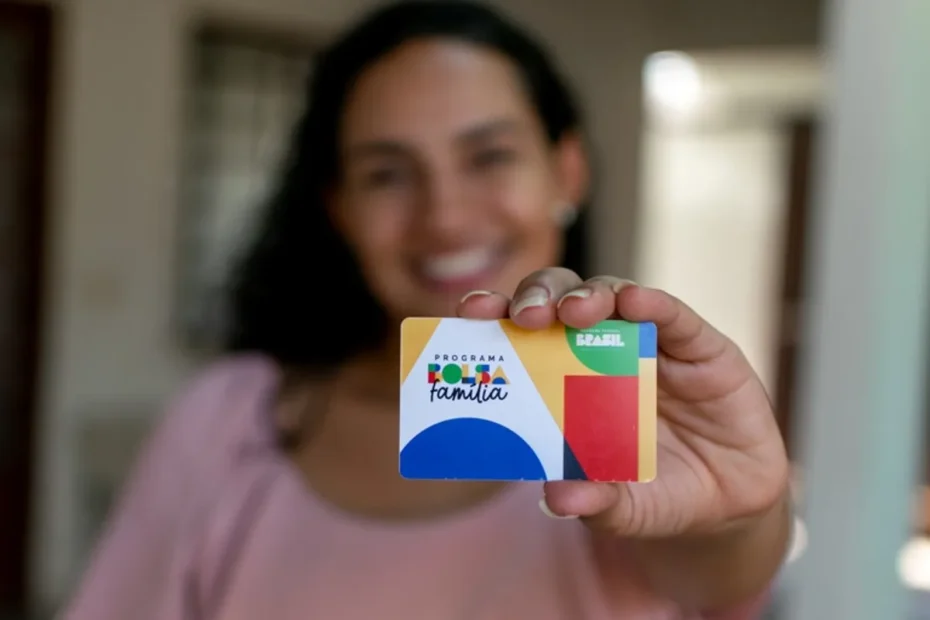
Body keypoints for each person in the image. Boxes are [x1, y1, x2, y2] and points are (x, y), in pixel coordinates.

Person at [63, 1, 791, 618]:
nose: (443, 218)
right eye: (386, 173)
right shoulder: (226, 422)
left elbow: (716, 572)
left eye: (489, 156)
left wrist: (736, 515)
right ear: (338, 208)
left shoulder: (629, 428)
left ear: (566, 170)